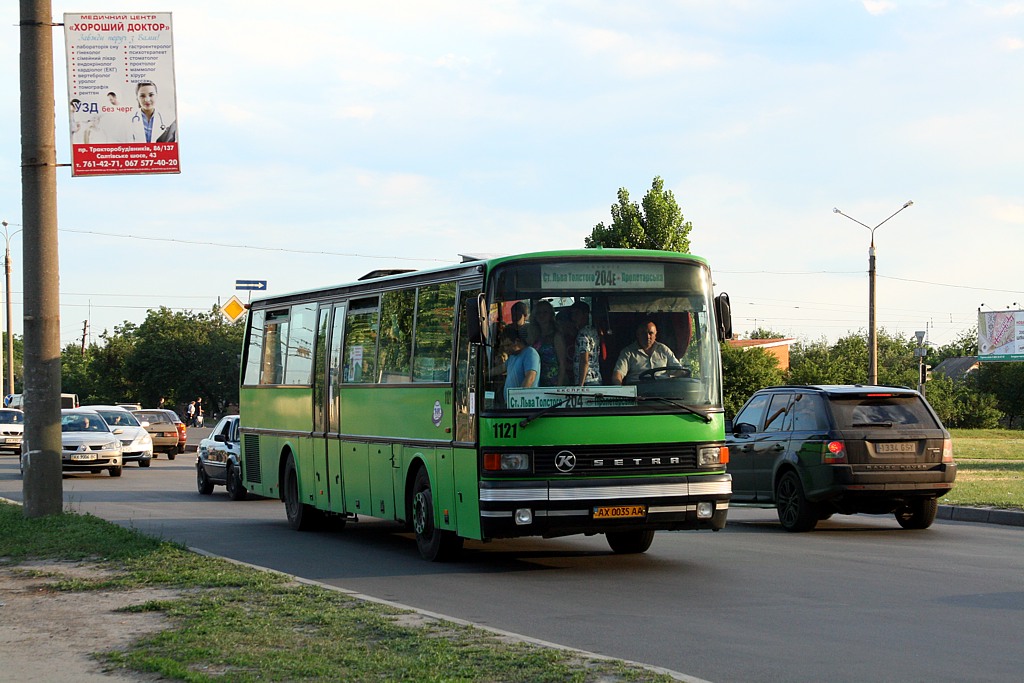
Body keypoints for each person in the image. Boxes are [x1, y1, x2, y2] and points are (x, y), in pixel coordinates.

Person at [611, 321, 683, 385]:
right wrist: (619, 389)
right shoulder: (628, 352)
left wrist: (671, 378)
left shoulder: (664, 349)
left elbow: (679, 370)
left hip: (664, 393)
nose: (647, 336)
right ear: (638, 334)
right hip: (638, 394)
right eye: (643, 333)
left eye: (650, 333)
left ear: (655, 334)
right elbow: (617, 374)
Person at [526, 300, 567, 386]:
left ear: (551, 315)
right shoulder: (533, 336)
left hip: (553, 383)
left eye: (545, 312)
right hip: (536, 381)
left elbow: (562, 364)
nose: (541, 315)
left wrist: (558, 388)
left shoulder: (556, 336)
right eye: (538, 313)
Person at [500, 325, 540, 403]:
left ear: (517, 341)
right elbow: (501, 368)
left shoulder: (530, 353)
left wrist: (518, 399)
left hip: (523, 405)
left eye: (508, 345)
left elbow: (530, 377)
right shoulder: (512, 356)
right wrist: (485, 373)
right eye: (504, 346)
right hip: (511, 405)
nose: (506, 349)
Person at [570, 301, 602, 386]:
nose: (574, 317)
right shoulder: (593, 331)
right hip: (596, 378)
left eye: (577, 313)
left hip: (586, 381)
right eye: (572, 314)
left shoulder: (582, 334)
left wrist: (580, 385)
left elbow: (584, 360)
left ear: (585, 315)